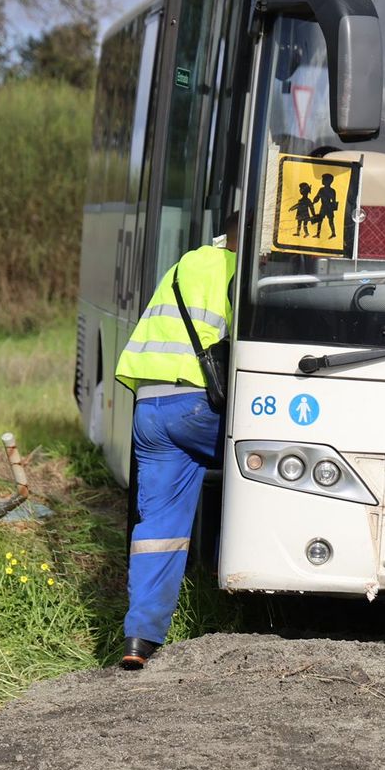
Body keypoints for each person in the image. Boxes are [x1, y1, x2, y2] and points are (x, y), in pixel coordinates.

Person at [113, 214, 239, 668]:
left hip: (149, 407)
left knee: (159, 525)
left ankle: (140, 639)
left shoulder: (186, 264)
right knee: (277, 466)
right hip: (196, 406)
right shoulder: (238, 270)